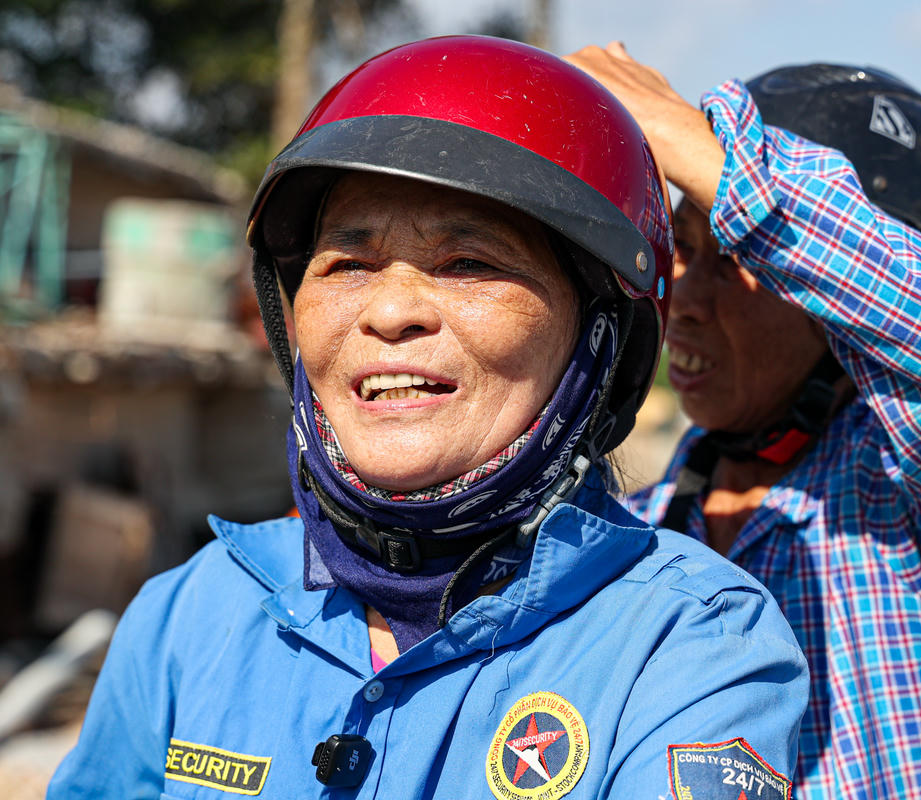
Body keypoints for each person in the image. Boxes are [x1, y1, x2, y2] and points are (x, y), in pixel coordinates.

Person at [48, 36, 809, 799]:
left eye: (468, 264)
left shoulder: (692, 645)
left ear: (601, 337)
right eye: (348, 264)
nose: (389, 312)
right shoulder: (192, 613)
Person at [566, 44, 921, 800]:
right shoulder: (634, 532)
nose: (685, 300)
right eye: (682, 251)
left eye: (735, 259)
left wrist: (679, 134)